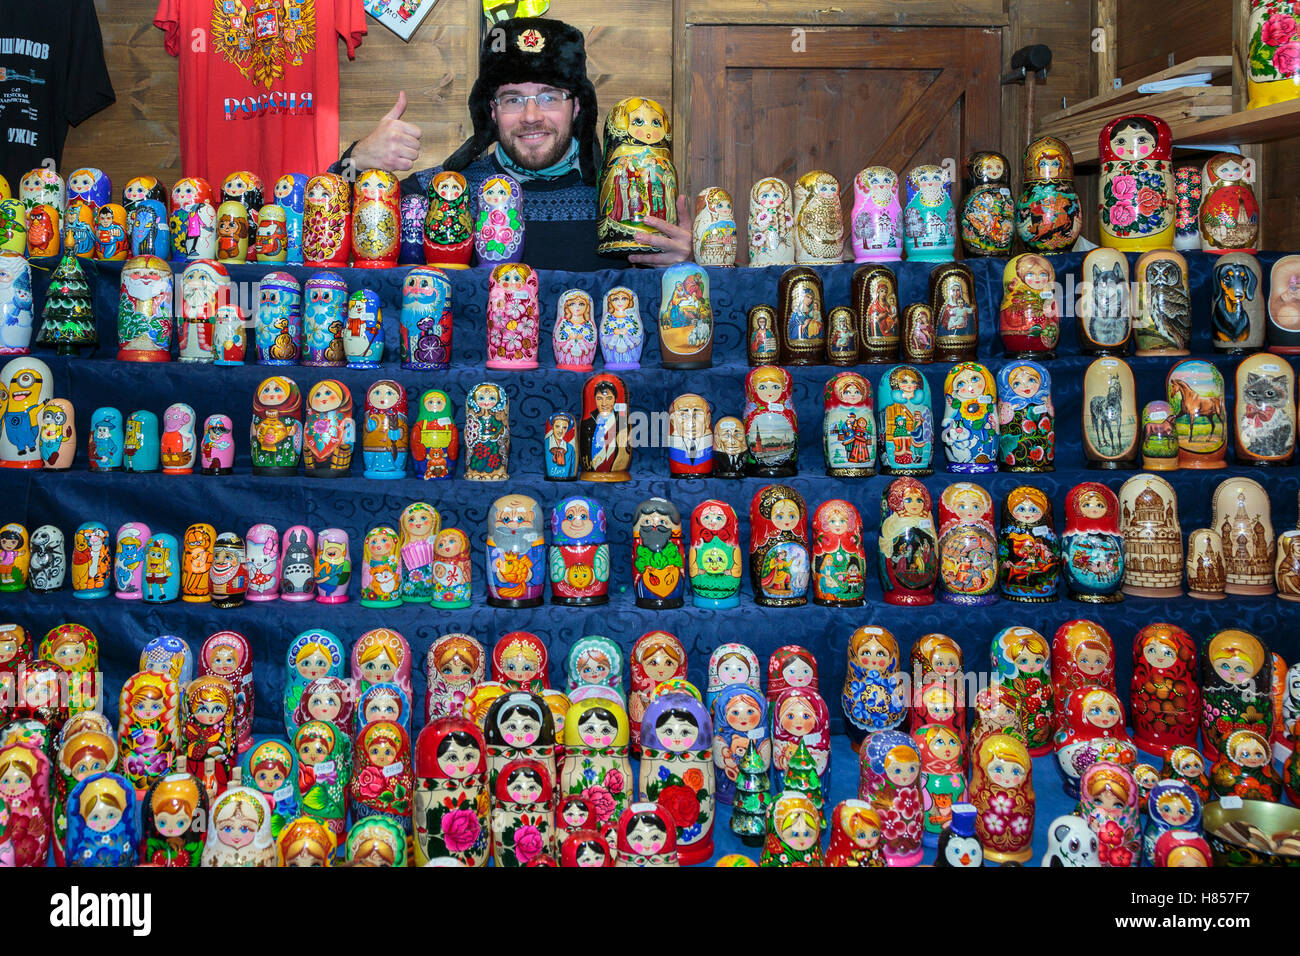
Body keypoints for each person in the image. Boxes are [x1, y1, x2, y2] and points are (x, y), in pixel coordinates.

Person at [335, 17, 692, 272]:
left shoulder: (626, 202)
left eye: (549, 96)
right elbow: (323, 230)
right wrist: (355, 161)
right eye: (513, 99)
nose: (532, 115)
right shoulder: (441, 192)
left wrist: (686, 265)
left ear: (577, 106)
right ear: (492, 111)